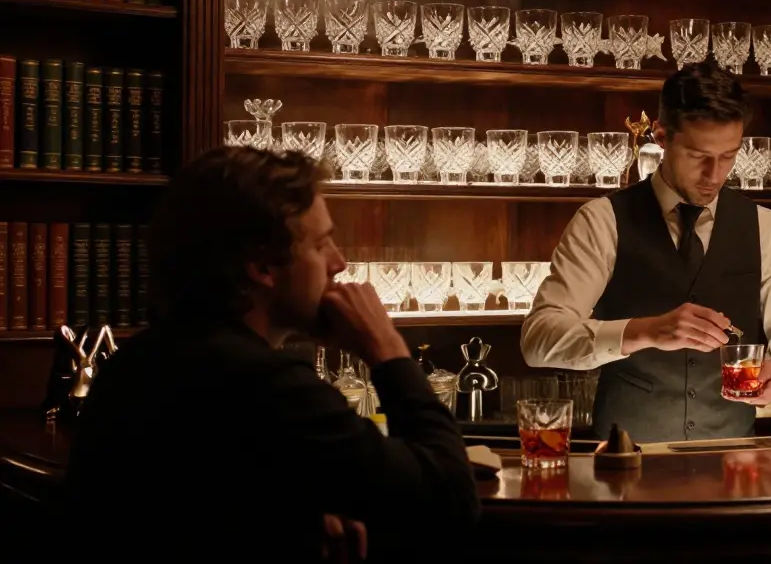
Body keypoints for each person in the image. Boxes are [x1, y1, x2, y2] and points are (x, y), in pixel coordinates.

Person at [64, 146, 479, 562]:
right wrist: (387, 349)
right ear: (263, 266)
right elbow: (448, 497)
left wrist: (294, 520)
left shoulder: (137, 362)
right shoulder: (265, 385)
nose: (340, 262)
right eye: (321, 245)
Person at [521, 62, 771, 443]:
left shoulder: (766, 228)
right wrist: (645, 331)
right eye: (698, 156)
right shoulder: (603, 220)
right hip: (624, 466)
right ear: (662, 137)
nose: (715, 174)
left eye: (729, 155)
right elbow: (539, 340)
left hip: (733, 468)